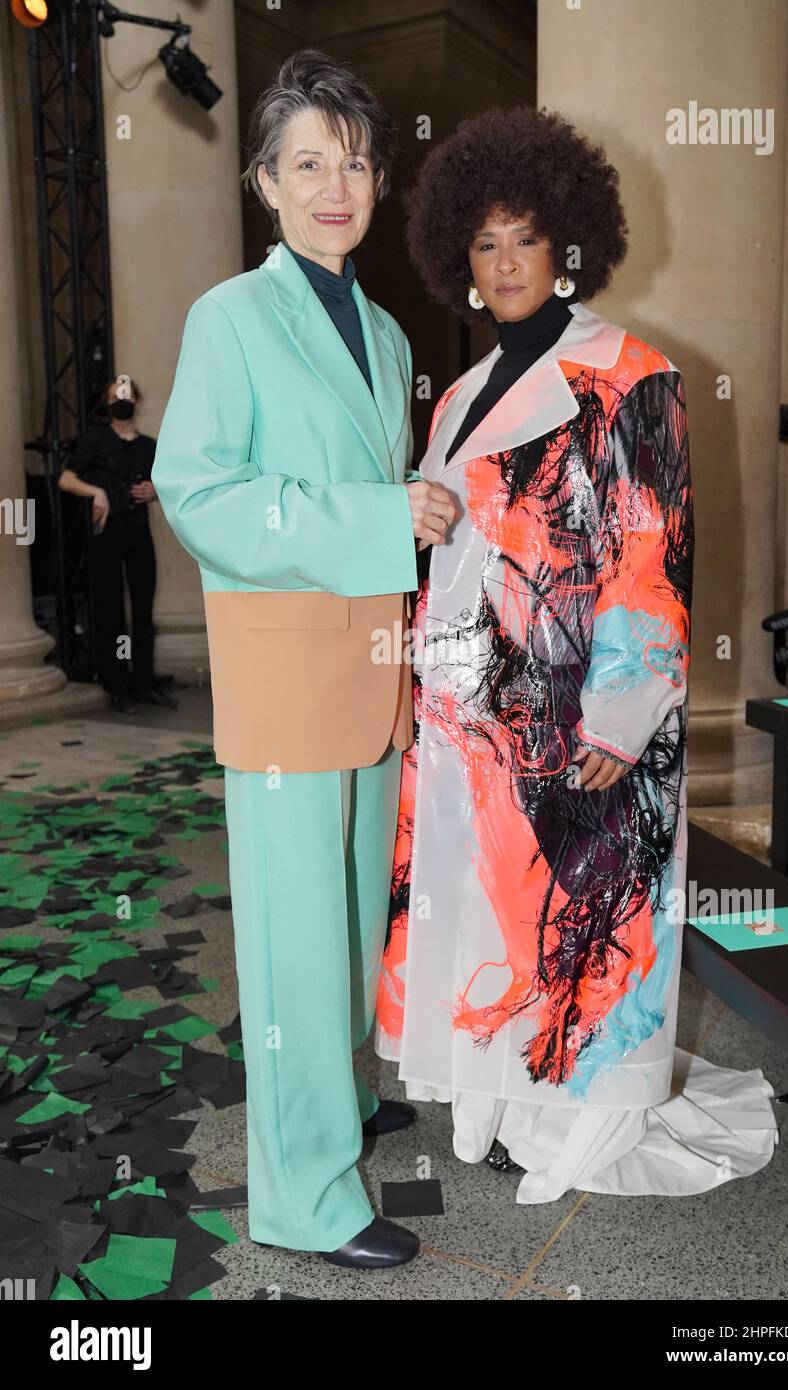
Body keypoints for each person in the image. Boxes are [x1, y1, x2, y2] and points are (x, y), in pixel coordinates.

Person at [376, 106, 779, 1203]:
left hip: (577, 716)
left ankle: (578, 1125)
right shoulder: (457, 398)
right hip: (468, 720)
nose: (504, 262)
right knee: (491, 916)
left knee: (584, 918)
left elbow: (653, 547)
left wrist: (621, 711)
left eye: (523, 237)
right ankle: (501, 1104)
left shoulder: (629, 372)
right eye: (483, 242)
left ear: (568, 242)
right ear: (458, 254)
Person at [151, 51, 456, 1267]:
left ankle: (335, 1097)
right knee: (289, 947)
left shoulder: (382, 330)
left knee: (340, 922)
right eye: (308, 164)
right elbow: (200, 493)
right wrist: (383, 518)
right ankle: (304, 1196)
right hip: (285, 678)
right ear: (266, 182)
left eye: (356, 163)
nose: (337, 186)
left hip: (369, 672)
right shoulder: (228, 316)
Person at [59, 377, 169, 713]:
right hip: (106, 532)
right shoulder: (95, 440)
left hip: (138, 530)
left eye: (126, 395)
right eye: (115, 396)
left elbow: (169, 485)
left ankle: (144, 682)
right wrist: (97, 492)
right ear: (108, 403)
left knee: (143, 610)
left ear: (137, 400)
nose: (121, 401)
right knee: (110, 612)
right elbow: (65, 478)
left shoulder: (150, 446)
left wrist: (155, 491)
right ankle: (117, 685)